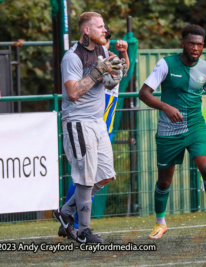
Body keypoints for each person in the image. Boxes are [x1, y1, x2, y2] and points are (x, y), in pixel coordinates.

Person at [138, 25, 206, 239]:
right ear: (183, 43)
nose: (195, 48)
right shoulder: (166, 64)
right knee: (164, 182)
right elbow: (144, 93)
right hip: (169, 130)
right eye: (191, 43)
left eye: (199, 44)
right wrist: (166, 107)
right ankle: (160, 223)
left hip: (196, 126)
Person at [54, 12, 127, 244]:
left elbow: (111, 83)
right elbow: (73, 93)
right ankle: (83, 231)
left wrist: (117, 69)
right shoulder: (72, 57)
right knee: (85, 178)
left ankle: (66, 212)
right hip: (77, 121)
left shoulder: (103, 51)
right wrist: (98, 71)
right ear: (87, 30)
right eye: (100, 26)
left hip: (97, 122)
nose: (105, 30)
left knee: (105, 175)